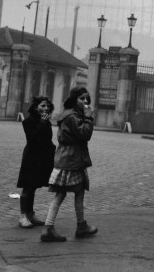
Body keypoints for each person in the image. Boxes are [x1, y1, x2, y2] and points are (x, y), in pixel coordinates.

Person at [40, 87, 97, 242]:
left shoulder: (70, 114)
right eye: (82, 98)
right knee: (64, 193)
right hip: (71, 160)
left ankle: (78, 225)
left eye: (87, 98)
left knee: (75, 191)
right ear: (74, 100)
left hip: (69, 158)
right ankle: (52, 227)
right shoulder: (73, 117)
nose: (85, 102)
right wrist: (89, 118)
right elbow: (85, 134)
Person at [16, 96, 56, 228]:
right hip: (31, 157)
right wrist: (43, 123)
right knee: (27, 186)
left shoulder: (45, 121)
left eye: (47, 106)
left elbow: (47, 139)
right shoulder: (28, 121)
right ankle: (23, 216)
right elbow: (32, 139)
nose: (46, 109)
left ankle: (30, 214)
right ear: (35, 107)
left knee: (34, 186)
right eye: (43, 106)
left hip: (42, 157)